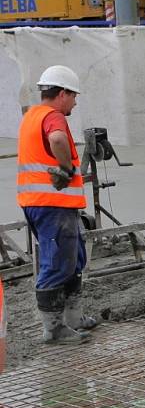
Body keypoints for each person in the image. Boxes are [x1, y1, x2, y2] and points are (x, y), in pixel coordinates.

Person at [17, 65, 97, 344]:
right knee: (57, 263)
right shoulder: (53, 117)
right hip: (51, 204)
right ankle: (54, 329)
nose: (75, 101)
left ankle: (74, 319)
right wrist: (66, 168)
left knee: (73, 259)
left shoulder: (32, 116)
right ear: (62, 93)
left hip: (46, 204)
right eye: (73, 96)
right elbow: (58, 139)